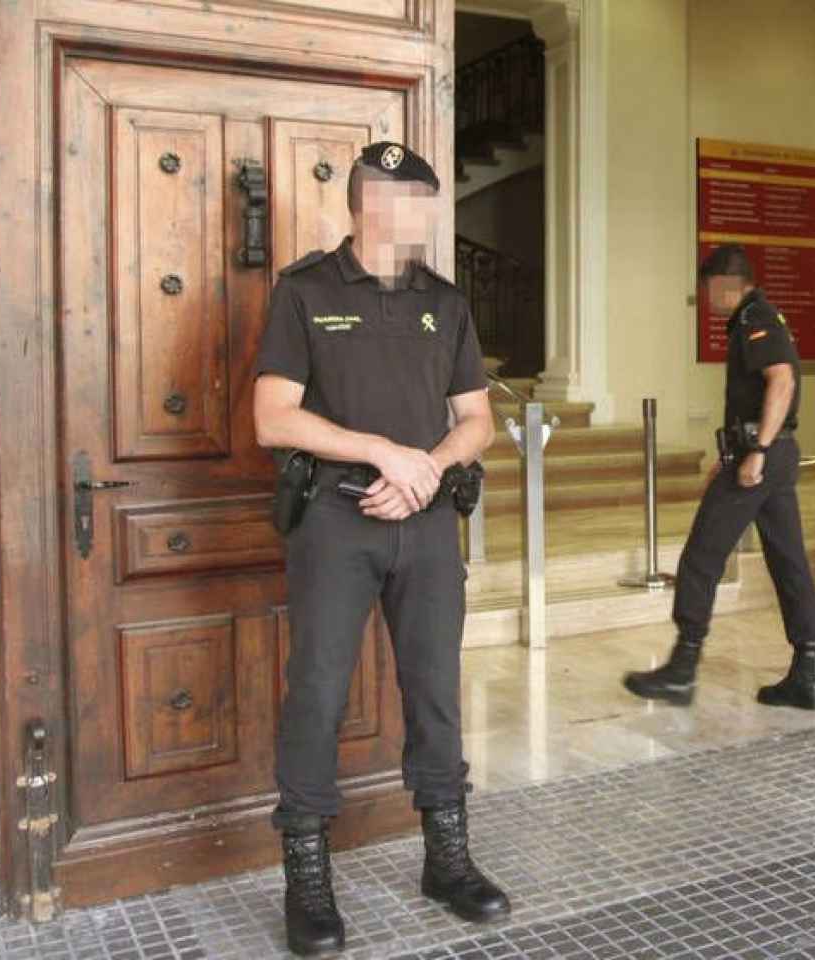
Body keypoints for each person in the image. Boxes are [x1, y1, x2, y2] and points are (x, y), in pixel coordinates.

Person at [254, 141, 509, 956]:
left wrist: (424, 469)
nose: (429, 218)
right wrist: (379, 452)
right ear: (373, 204)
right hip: (337, 522)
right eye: (417, 203)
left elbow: (479, 420)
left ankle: (448, 861)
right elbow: (273, 417)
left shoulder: (446, 301)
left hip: (428, 524)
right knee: (318, 694)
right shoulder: (305, 293)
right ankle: (308, 881)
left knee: (434, 690)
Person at [622, 245, 815, 710]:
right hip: (770, 455)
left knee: (701, 555)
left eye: (709, 289)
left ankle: (682, 668)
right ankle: (808, 671)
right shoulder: (760, 317)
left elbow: (782, 380)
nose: (707, 299)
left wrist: (756, 451)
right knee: (788, 559)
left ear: (725, 284)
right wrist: (739, 450)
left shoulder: (756, 316)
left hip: (761, 458)